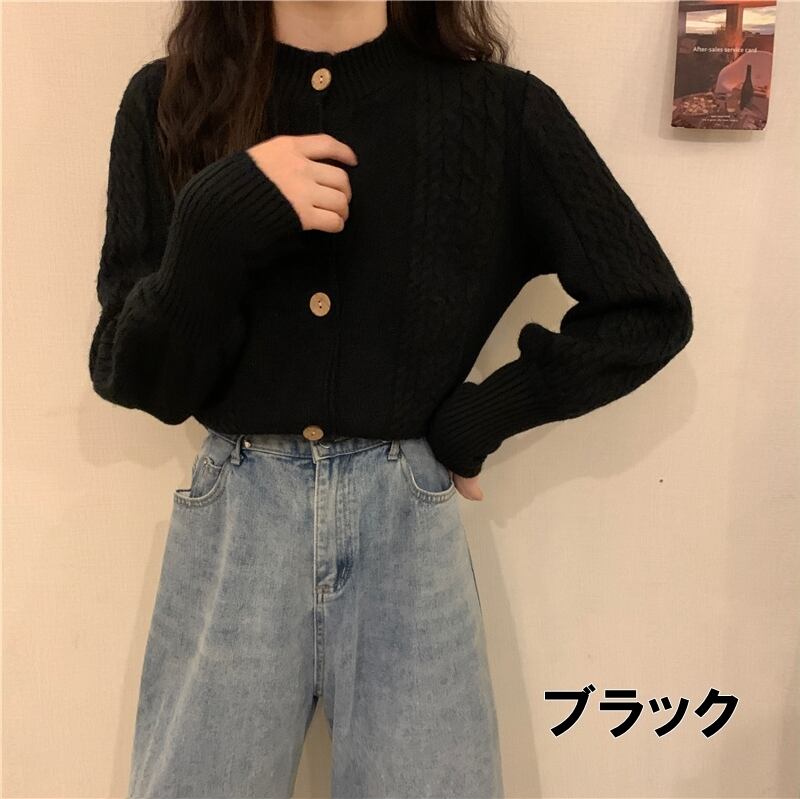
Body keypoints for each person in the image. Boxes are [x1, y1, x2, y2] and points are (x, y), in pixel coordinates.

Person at [88, 1, 693, 797]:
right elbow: (133, 375)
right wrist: (212, 220)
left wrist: (480, 417)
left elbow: (646, 307)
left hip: (405, 523)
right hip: (237, 519)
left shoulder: (497, 111)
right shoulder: (169, 99)